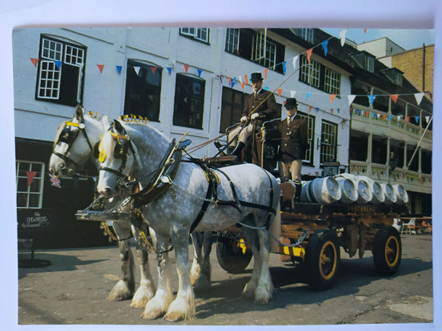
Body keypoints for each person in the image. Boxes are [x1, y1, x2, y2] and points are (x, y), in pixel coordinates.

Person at [230, 72, 278, 159]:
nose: (255, 84)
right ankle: (230, 155)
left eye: (257, 82)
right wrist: (243, 116)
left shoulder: (267, 95)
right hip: (247, 123)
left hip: (259, 123)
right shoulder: (249, 97)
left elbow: (273, 109)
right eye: (253, 82)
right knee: (232, 134)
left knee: (244, 133)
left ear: (261, 83)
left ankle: (235, 155)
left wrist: (259, 114)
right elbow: (245, 111)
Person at [278, 97, 308, 202]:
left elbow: (304, 141)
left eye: (291, 108)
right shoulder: (282, 123)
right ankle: (285, 199)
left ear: (295, 109)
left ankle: (296, 199)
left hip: (296, 155)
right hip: (283, 154)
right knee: (284, 178)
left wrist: (300, 155)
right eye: (287, 108)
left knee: (296, 178)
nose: (289, 111)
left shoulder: (301, 123)